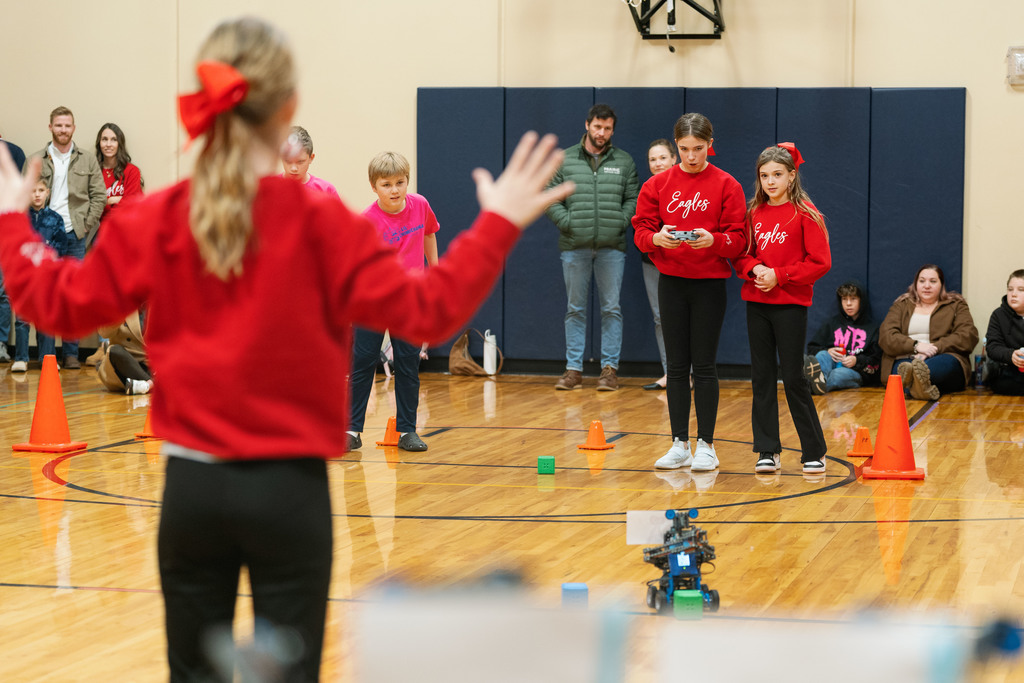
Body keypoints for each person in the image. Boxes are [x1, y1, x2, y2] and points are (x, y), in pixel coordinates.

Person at [0, 17, 573, 682]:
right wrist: (496, 222)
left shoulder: (159, 217)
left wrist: (13, 221)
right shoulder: (322, 222)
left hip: (194, 493)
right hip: (290, 494)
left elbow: (58, 303)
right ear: (287, 112)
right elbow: (430, 310)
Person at [633, 112, 747, 472]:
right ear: (676, 146)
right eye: (684, 149)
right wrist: (656, 239)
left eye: (698, 148)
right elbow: (640, 231)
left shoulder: (728, 185)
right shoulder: (656, 185)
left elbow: (739, 240)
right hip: (672, 283)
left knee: (705, 365)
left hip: (709, 285)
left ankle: (707, 445)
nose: (691, 156)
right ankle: (679, 443)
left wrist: (715, 241)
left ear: (710, 145)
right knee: (677, 366)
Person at [733, 143, 831, 475]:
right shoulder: (752, 213)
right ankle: (767, 450)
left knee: (792, 377)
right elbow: (741, 255)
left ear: (791, 176)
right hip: (757, 304)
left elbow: (820, 262)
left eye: (777, 175)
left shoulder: (806, 214)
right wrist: (755, 269)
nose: (770, 182)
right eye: (764, 176)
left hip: (789, 304)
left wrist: (781, 275)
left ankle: (813, 450)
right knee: (761, 377)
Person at [346, 151, 439, 453]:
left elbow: (429, 234)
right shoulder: (367, 221)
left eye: (400, 182)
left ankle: (407, 431)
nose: (395, 190)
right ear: (374, 187)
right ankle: (351, 430)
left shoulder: (420, 205)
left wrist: (435, 271)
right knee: (363, 363)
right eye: (386, 185)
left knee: (408, 365)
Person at [546, 103, 639, 391]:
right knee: (575, 309)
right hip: (574, 246)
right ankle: (573, 370)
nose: (602, 133)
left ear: (612, 130)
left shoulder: (624, 161)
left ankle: (609, 370)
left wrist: (619, 222)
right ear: (587, 125)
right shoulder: (564, 159)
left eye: (607, 128)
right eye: (597, 127)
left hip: (612, 248)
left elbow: (633, 199)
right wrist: (569, 222)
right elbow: (551, 197)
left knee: (612, 309)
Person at [31, 106, 106, 369]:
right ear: (50, 127)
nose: (63, 130)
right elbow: (25, 196)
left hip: (74, 234)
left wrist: (84, 226)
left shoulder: (87, 160)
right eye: (58, 125)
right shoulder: (35, 160)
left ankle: (71, 354)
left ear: (73, 128)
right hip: (45, 236)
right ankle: (47, 355)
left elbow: (99, 196)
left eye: (67, 125)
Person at [879, 264, 978, 400]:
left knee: (930, 368)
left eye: (933, 281)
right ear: (916, 284)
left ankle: (911, 386)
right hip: (905, 358)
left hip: (942, 357)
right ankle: (920, 387)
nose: (927, 286)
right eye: (922, 281)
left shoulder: (956, 305)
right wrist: (915, 346)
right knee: (904, 368)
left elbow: (968, 335)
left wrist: (935, 348)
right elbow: (886, 336)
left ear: (941, 284)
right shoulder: (902, 304)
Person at [11, 178, 69, 372]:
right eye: (33, 190)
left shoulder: (56, 219)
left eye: (41, 190)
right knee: (22, 319)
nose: (37, 194)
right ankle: (21, 358)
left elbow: (61, 246)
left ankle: (47, 358)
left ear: (47, 193)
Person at [639, 139, 676, 391]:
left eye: (662, 158)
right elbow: (640, 229)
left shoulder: (686, 188)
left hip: (682, 262)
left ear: (674, 159)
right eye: (653, 159)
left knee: (684, 319)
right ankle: (670, 373)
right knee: (661, 318)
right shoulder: (646, 189)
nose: (658, 163)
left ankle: (689, 373)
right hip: (652, 262)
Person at [804, 279, 881, 394]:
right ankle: (818, 382)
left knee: (837, 375)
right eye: (844, 299)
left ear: (862, 300)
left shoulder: (873, 327)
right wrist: (828, 351)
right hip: (830, 365)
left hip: (854, 371)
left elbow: (876, 361)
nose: (848, 303)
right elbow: (812, 348)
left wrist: (857, 360)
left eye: (853, 299)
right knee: (822, 354)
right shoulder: (832, 323)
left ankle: (813, 386)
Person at [984, 269, 1024, 395]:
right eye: (1010, 289)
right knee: (1003, 384)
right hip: (1008, 372)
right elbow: (992, 347)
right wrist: (1010, 355)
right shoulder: (998, 315)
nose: (1013, 294)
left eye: (1021, 290)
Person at [92, 312, 152, 395]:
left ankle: (146, 385)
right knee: (114, 351)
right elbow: (103, 333)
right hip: (126, 364)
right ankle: (153, 384)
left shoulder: (159, 308)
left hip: (151, 364)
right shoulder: (120, 308)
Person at [95, 122, 144, 225]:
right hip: (103, 228)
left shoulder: (132, 171)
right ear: (99, 143)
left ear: (119, 144)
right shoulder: (94, 172)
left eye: (114, 139)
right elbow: (92, 207)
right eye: (104, 139)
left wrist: (105, 202)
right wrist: (113, 200)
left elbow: (132, 203)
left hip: (127, 226)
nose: (108, 144)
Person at [280, 125, 340, 200]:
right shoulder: (270, 188)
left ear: (311, 158)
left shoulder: (326, 190)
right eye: (288, 161)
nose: (294, 168)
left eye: (300, 162)